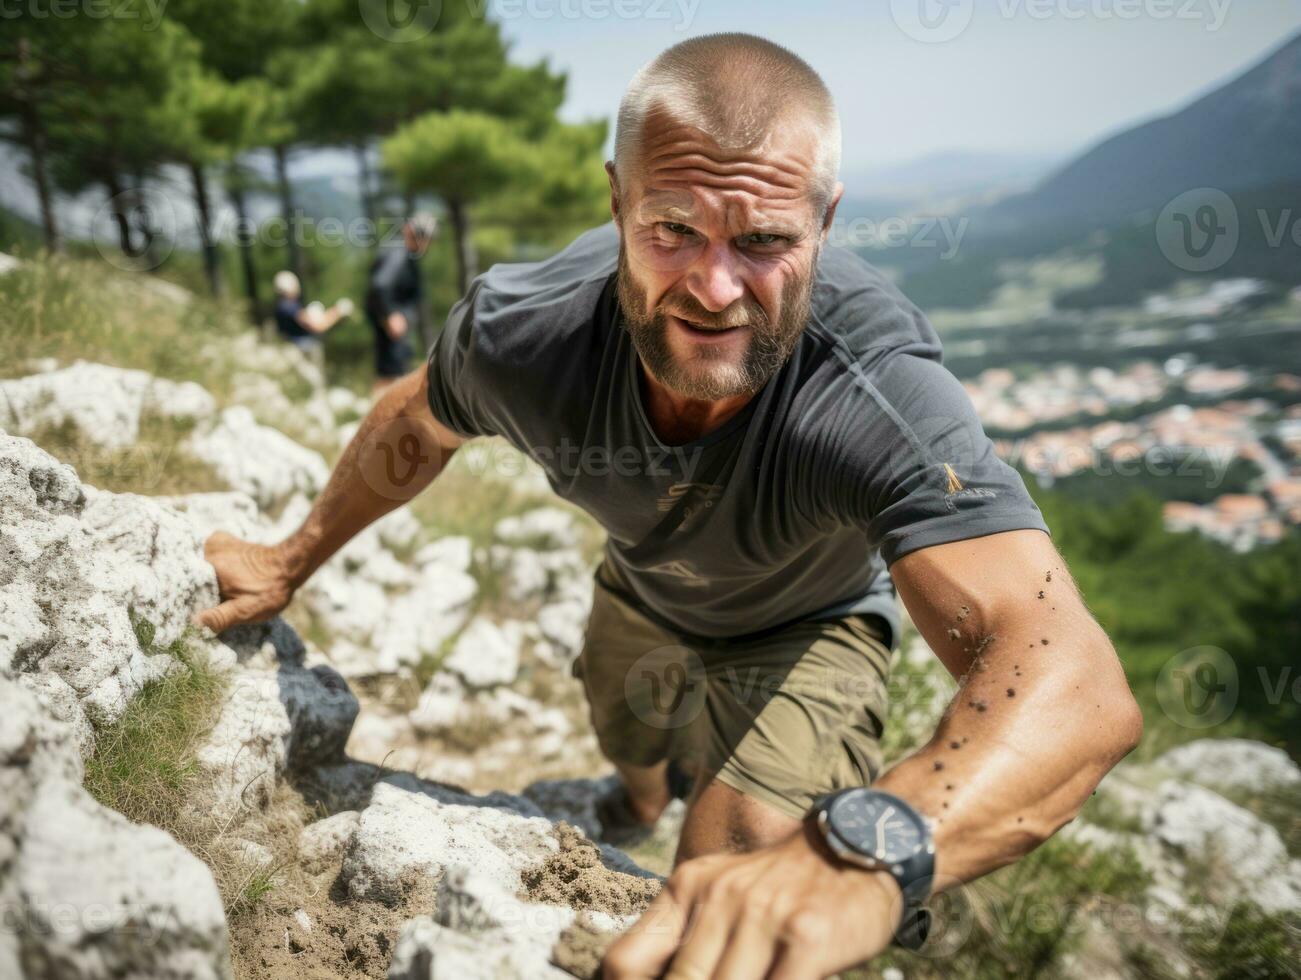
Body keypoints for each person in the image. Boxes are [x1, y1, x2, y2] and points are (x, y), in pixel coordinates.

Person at [197, 34, 1142, 979]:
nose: (713, 288)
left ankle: (703, 804)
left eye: (765, 241)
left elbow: (1072, 678)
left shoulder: (872, 393)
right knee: (630, 744)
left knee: (724, 891)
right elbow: (417, 418)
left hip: (808, 626)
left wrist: (866, 849)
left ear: (825, 220)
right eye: (671, 229)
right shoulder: (527, 336)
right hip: (644, 587)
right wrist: (290, 559)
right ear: (615, 199)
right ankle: (639, 799)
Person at [365, 214, 435, 396]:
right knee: (391, 375)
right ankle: (382, 420)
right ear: (408, 230)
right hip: (392, 328)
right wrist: (390, 315)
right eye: (421, 234)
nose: (425, 241)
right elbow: (380, 285)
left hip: (396, 328)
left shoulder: (406, 254)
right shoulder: (399, 254)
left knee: (395, 371)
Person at [272, 270, 353, 360]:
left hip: (293, 352)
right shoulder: (288, 306)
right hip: (301, 354)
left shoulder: (283, 306)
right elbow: (317, 326)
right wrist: (338, 311)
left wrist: (335, 310)